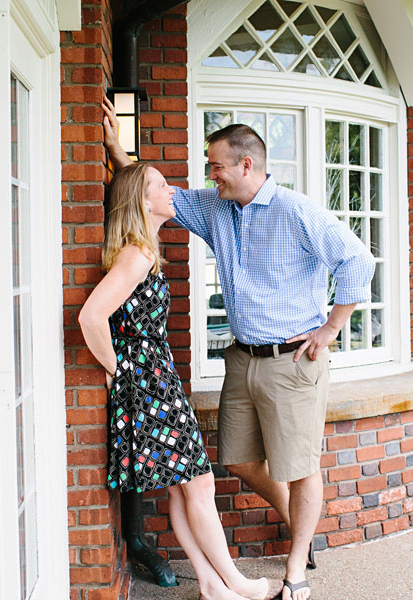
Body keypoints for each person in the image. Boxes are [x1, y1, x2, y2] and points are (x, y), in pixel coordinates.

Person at [103, 99, 374, 600]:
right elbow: (157, 198)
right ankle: (300, 524)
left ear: (246, 164)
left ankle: (295, 570)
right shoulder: (217, 208)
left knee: (301, 467)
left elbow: (357, 260)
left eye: (217, 165)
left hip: (295, 360)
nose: (212, 174)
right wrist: (119, 153)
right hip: (242, 357)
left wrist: (332, 327)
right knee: (239, 459)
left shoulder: (296, 211)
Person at [77, 162, 283, 600]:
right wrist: (118, 370)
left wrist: (118, 151)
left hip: (155, 380)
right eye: (159, 185)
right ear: (141, 201)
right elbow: (91, 316)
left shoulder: (142, 248)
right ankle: (235, 580)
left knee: (180, 488)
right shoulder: (137, 254)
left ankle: (210, 584)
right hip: (148, 384)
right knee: (200, 484)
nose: (171, 190)